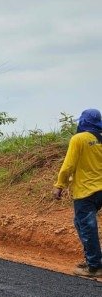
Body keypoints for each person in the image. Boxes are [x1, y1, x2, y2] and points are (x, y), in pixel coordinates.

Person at [52, 108, 102, 278]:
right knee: (80, 222)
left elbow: (68, 165)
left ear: (83, 121)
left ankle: (95, 266)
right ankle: (93, 259)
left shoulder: (79, 139)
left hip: (86, 191)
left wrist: (60, 185)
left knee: (87, 226)